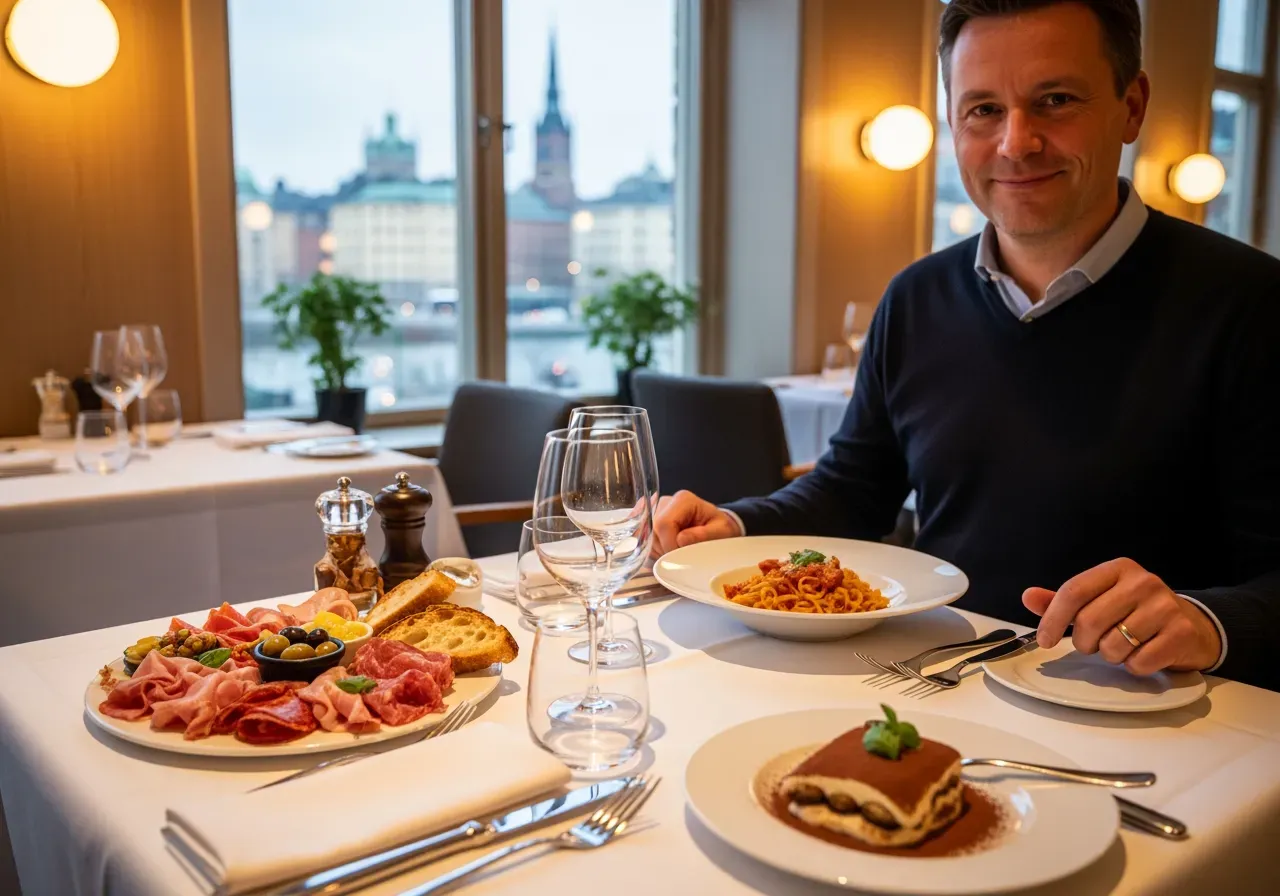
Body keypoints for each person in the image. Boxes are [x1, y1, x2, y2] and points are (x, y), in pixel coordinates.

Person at [653, 0, 1280, 692]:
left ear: (1131, 107)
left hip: (1151, 708)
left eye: (1056, 100)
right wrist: (733, 526)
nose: (1017, 142)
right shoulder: (914, 298)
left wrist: (1205, 621)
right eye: (984, 110)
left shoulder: (1251, 302)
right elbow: (853, 490)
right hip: (934, 679)